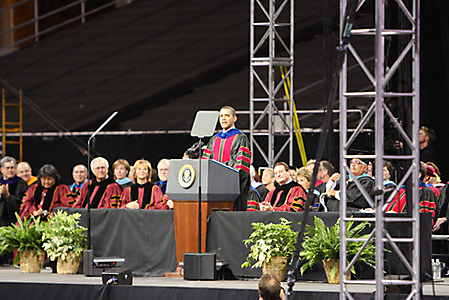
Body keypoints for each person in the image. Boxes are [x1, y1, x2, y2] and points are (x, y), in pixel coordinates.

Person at [202, 106, 251, 211]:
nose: (223, 118)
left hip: (232, 188)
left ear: (234, 118)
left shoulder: (240, 138)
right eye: (221, 116)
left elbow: (241, 165)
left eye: (227, 115)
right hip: (213, 189)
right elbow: (205, 163)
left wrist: (224, 178)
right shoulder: (214, 139)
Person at [0, 156, 28, 225]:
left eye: (12, 168)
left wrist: (8, 196)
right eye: (7, 168)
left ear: (15, 169)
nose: (10, 170)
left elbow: (21, 204)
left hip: (12, 221)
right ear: (1, 170)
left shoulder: (21, 183)